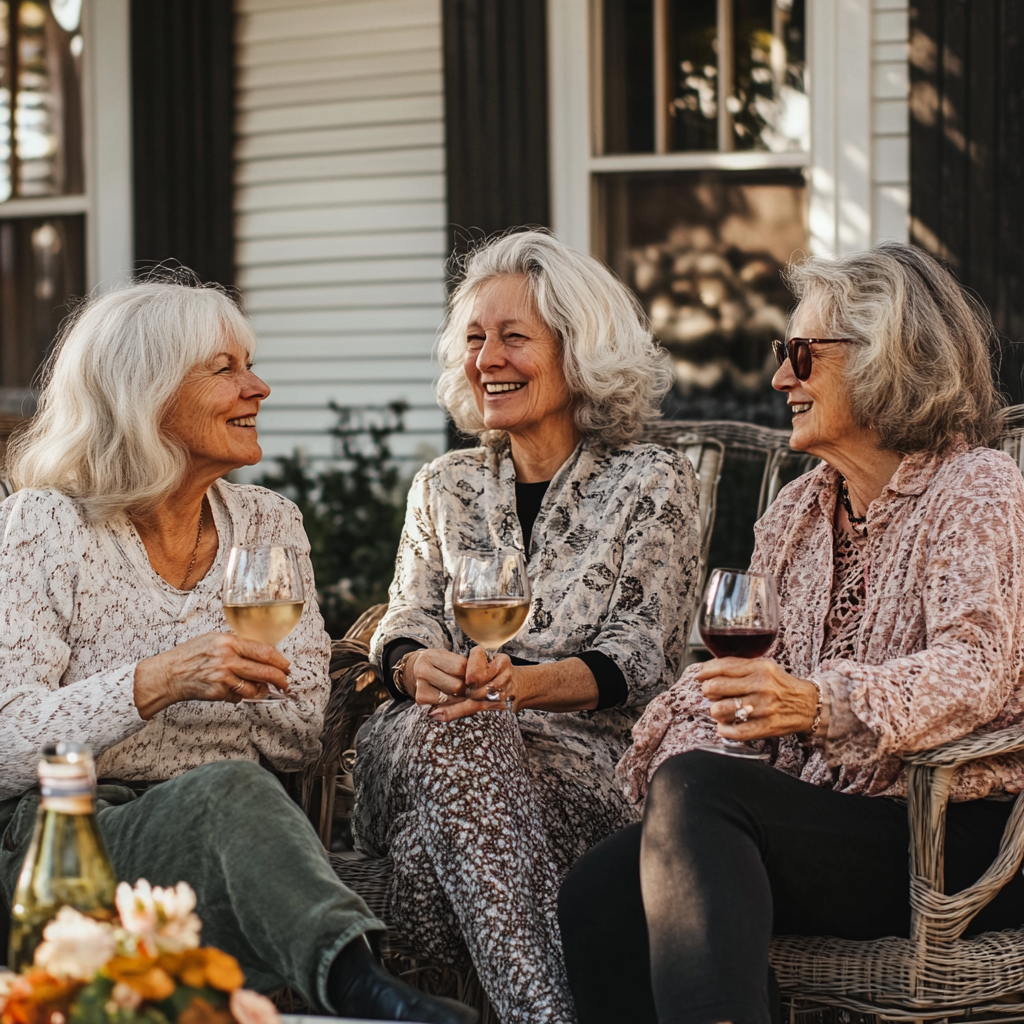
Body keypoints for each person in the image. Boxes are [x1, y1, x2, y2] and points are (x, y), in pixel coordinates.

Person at [557, 241, 1024, 1024]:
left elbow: (975, 667)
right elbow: (740, 683)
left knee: (701, 795)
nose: (780, 379)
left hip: (953, 836)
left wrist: (816, 703)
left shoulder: (976, 488)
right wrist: (704, 738)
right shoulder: (798, 512)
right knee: (599, 890)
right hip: (831, 818)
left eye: (801, 354)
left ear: (888, 357)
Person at [0, 279, 476, 1024]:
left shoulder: (266, 524)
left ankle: (365, 993)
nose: (258, 386)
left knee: (233, 790)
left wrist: (229, 693)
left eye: (249, 364)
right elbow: (7, 743)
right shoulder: (45, 526)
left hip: (233, 833)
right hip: (69, 837)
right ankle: (366, 994)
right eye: (224, 368)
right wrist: (160, 681)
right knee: (230, 787)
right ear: (145, 391)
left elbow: (300, 731)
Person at [351, 230, 701, 1024]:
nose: (488, 359)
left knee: (427, 854)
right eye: (475, 338)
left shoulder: (651, 481)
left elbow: (639, 659)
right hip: (422, 738)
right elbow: (406, 616)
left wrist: (516, 688)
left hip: (585, 767)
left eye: (514, 336)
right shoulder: (445, 484)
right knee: (458, 733)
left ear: (579, 352)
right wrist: (413, 670)